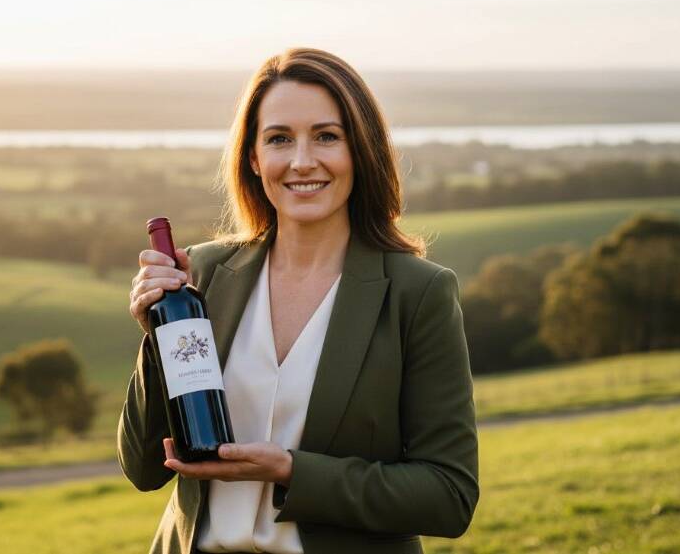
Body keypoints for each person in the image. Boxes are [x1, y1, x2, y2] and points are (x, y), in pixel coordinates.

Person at [119, 48, 479, 554]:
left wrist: (292, 472)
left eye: (327, 136)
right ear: (253, 157)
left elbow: (449, 495)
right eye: (279, 139)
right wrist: (155, 338)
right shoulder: (201, 275)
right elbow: (141, 469)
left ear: (361, 151)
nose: (302, 161)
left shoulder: (418, 293)